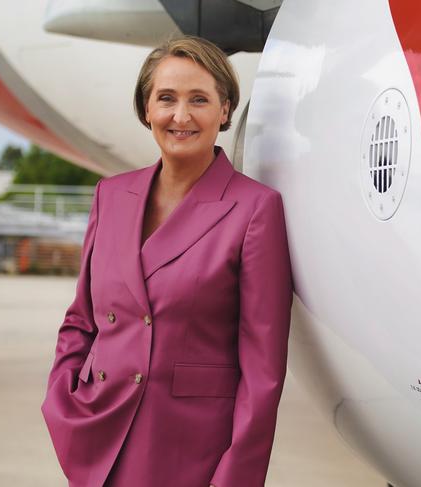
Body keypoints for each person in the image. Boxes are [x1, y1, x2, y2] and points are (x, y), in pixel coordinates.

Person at [41, 35, 294, 487]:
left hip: (190, 451)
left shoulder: (255, 208)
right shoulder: (111, 195)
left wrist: (236, 477)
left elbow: (263, 370)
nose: (181, 116)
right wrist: (62, 402)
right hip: (100, 436)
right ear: (146, 110)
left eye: (199, 99)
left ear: (225, 110)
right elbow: (82, 320)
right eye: (166, 99)